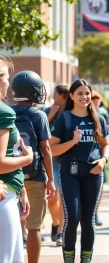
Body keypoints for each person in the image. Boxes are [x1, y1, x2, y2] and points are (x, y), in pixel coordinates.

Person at [50, 79, 109, 263]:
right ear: (71, 96)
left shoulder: (98, 118)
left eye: (87, 93)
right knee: (72, 218)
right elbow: (52, 148)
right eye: (80, 94)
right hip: (70, 173)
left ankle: (86, 260)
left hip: (93, 174)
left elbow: (106, 144)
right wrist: (72, 142)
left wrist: (103, 159)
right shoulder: (65, 118)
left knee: (88, 220)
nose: (84, 97)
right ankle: (69, 259)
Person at [11, 70, 56, 263]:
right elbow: (45, 148)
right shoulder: (38, 114)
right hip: (34, 175)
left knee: (10, 226)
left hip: (11, 175)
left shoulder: (7, 112)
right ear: (32, 92)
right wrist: (51, 179)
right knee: (34, 227)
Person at [0, 57, 33, 263]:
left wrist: (21, 188)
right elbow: (2, 162)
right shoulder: (4, 112)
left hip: (10, 191)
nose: (8, 83)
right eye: (5, 77)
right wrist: (28, 158)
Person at [45, 85, 69, 246]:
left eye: (55, 94)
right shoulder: (48, 111)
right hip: (51, 160)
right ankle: (55, 223)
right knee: (52, 199)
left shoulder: (70, 113)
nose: (53, 96)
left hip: (66, 160)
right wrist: (51, 115)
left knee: (63, 198)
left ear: (62, 95)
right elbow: (39, 131)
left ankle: (60, 231)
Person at [91, 91, 109, 226]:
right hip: (86, 158)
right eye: (94, 100)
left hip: (99, 157)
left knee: (100, 186)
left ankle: (95, 212)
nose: (96, 102)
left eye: (98, 100)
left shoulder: (101, 117)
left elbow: (106, 140)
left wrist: (104, 157)